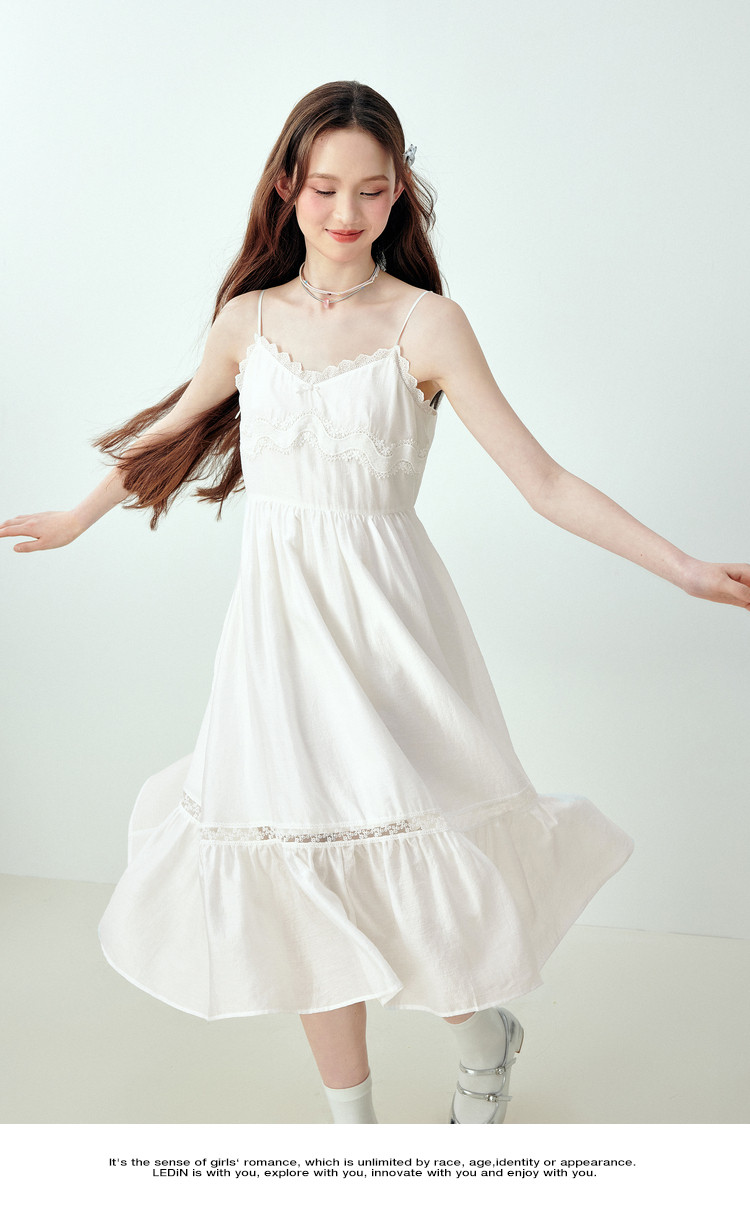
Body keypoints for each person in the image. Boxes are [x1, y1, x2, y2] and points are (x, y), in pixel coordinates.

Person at [2, 80, 748, 1127]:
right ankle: (354, 1148)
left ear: (400, 192)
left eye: (371, 189)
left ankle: (482, 1037)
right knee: (301, 878)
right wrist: (78, 516)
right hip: (276, 644)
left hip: (392, 635)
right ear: (286, 188)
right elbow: (175, 429)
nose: (346, 211)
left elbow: (543, 481)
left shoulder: (428, 324)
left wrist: (684, 568)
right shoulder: (248, 321)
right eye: (324, 188)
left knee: (422, 866)